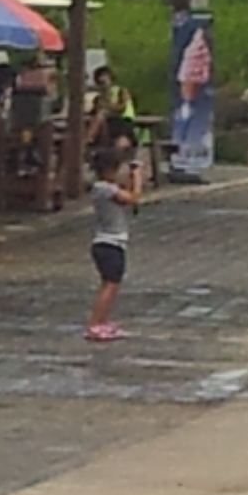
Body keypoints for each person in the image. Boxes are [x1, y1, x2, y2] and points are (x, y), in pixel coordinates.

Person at [85, 135, 143, 342]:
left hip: (111, 243)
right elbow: (133, 197)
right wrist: (137, 177)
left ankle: (103, 321)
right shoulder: (104, 189)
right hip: (108, 243)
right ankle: (95, 324)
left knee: (109, 284)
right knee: (111, 285)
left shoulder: (106, 187)